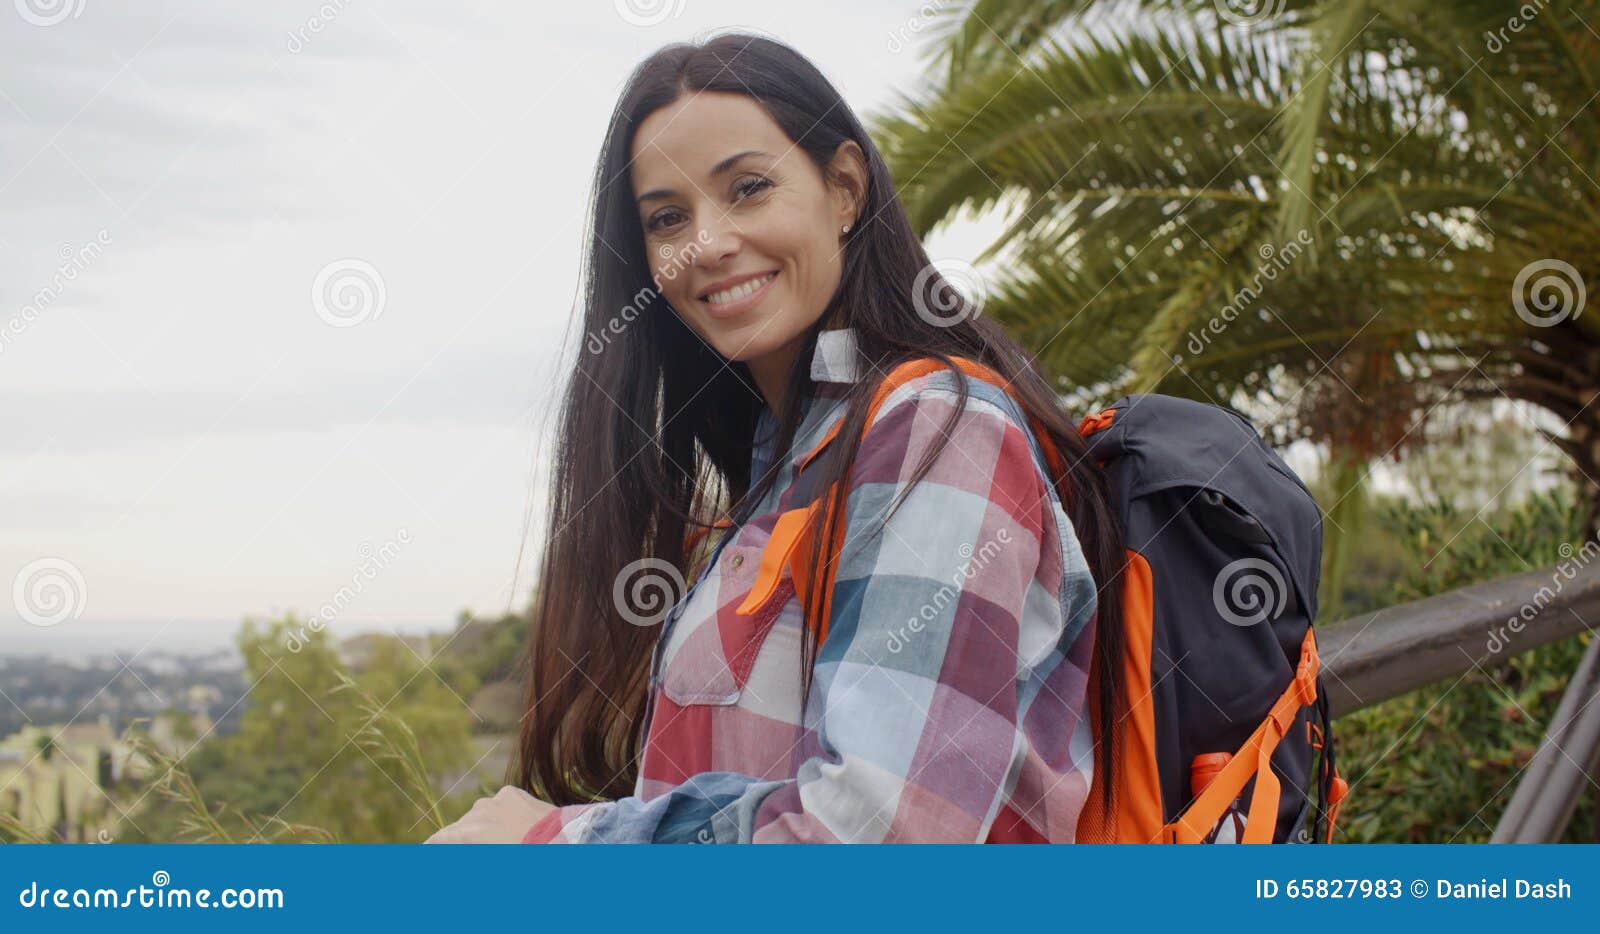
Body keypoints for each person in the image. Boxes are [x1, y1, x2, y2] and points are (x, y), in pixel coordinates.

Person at [426, 31, 1125, 844]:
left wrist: (552, 845)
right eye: (666, 218)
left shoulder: (939, 430)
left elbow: (888, 836)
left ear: (844, 190)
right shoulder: (787, 465)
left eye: (749, 188)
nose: (707, 243)